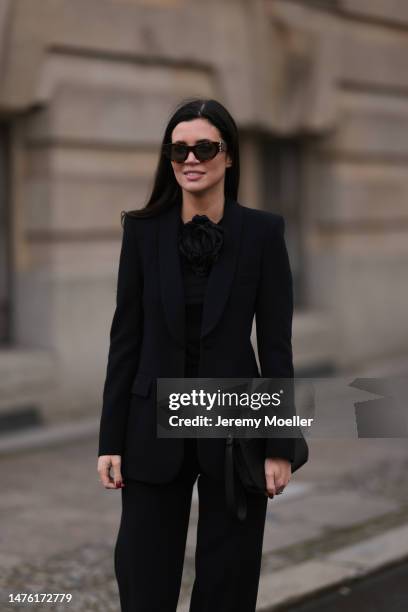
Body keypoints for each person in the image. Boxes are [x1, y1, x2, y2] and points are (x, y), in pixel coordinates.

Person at [97, 98, 295, 612]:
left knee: (229, 582)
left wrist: (280, 444)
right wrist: (110, 439)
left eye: (204, 147)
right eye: (179, 149)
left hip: (234, 427)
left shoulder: (263, 233)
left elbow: (276, 346)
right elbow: (126, 339)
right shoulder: (142, 232)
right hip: (149, 426)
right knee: (143, 578)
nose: (191, 158)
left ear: (228, 156)